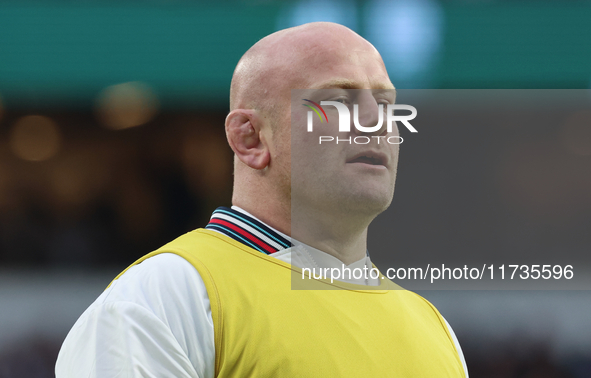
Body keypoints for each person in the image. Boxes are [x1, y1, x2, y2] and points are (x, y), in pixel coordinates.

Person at [56, 22, 468, 377]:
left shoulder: (435, 328)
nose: (374, 122)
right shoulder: (166, 296)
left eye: (384, 104)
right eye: (337, 101)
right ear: (250, 138)